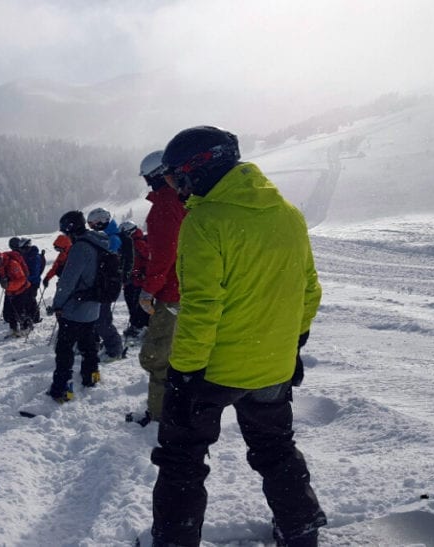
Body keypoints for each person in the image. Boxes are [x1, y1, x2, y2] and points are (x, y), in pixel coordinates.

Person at [149, 126, 325, 547]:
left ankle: (175, 540)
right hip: (272, 368)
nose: (176, 188)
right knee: (276, 450)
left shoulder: (205, 222)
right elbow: (309, 290)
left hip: (212, 372)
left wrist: (185, 373)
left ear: (198, 170)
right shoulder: (288, 214)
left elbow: (202, 307)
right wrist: (294, 346)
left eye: (175, 178)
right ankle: (300, 531)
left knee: (182, 460)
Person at [128, 150, 186, 428]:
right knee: (181, 353)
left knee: (157, 356)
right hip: (191, 288)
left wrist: (148, 290)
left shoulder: (164, 205)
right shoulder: (187, 199)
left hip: (171, 293)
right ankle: (179, 406)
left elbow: (162, 255)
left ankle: (159, 415)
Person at [46, 210, 108, 402]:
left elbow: (68, 281)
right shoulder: (99, 243)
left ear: (70, 229)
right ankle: (91, 375)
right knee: (88, 345)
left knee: (64, 350)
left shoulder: (80, 248)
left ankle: (62, 388)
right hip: (93, 307)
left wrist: (57, 304)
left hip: (75, 308)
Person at [86, 207, 124, 361]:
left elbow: (108, 263)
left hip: (106, 285)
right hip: (101, 284)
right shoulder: (107, 236)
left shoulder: (113, 239)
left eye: (93, 224)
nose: (92, 228)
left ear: (102, 222)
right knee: (98, 318)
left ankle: (115, 349)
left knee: (102, 320)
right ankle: (108, 346)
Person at [118, 220, 150, 340]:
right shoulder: (127, 244)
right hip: (131, 280)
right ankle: (136, 326)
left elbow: (149, 260)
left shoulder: (139, 244)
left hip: (140, 281)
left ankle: (141, 327)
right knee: (132, 303)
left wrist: (142, 273)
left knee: (139, 305)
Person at [10, 236, 45, 324]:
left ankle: (35, 317)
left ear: (27, 247)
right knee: (27, 299)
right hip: (26, 281)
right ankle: (29, 315)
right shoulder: (25, 255)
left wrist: (21, 278)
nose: (22, 251)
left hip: (33, 282)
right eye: (21, 249)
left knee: (31, 299)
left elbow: (34, 273)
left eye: (23, 249)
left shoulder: (35, 257)